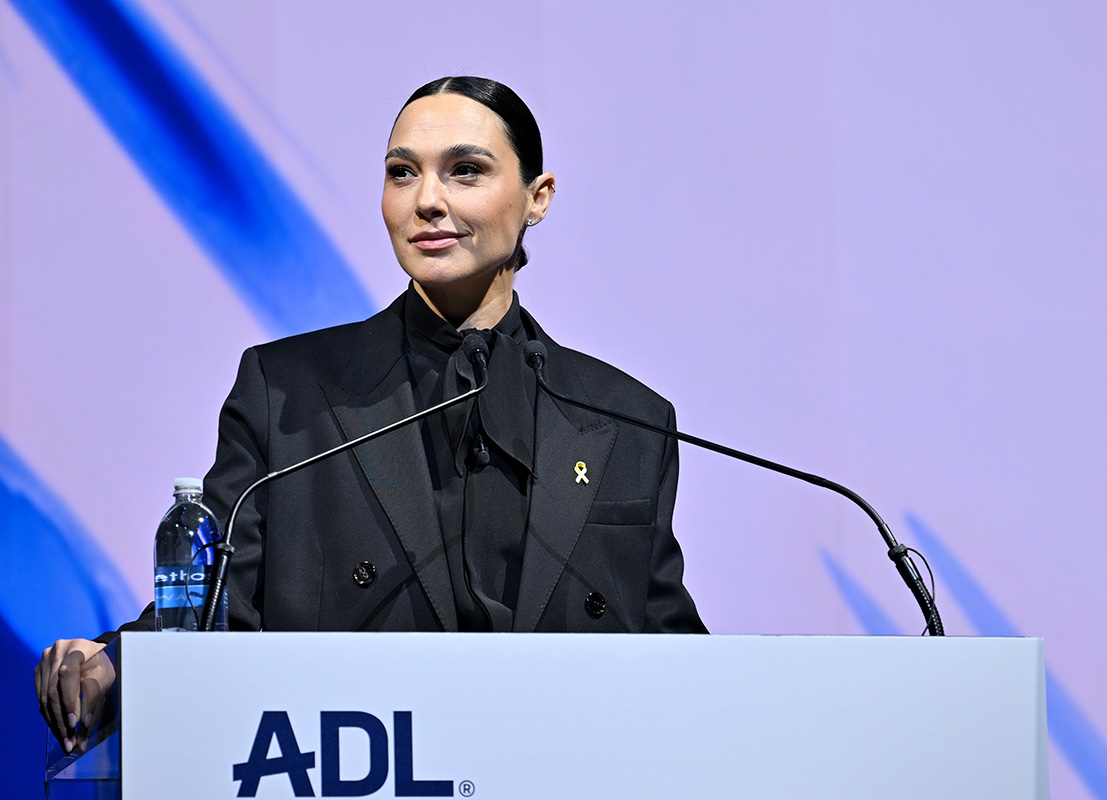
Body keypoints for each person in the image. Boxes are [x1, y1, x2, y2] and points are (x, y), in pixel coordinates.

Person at [35, 75, 705, 754]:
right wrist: (115, 664)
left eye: (465, 171)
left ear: (538, 198)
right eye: (402, 173)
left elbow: (680, 661)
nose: (427, 200)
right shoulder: (287, 393)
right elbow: (213, 605)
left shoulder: (626, 420)